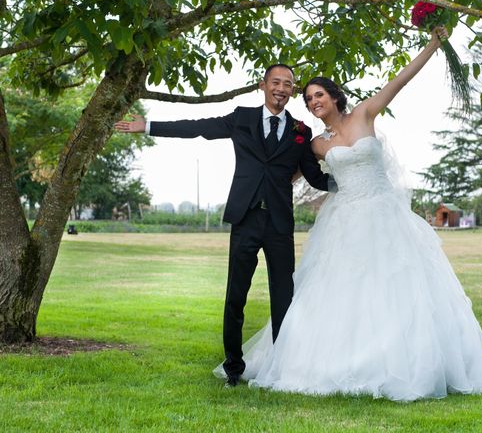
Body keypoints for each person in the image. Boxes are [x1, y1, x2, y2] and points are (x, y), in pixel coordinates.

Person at [231, 27, 482, 401]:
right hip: (344, 218)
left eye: (319, 95)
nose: (313, 102)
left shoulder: (364, 114)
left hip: (385, 214)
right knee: (339, 291)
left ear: (334, 96)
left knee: (398, 287)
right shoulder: (315, 143)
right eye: (309, 98)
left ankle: (401, 361)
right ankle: (334, 360)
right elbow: (287, 170)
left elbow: (401, 80)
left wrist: (434, 44)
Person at [114, 64, 332, 387]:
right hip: (245, 219)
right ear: (263, 85)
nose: (282, 88)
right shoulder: (242, 118)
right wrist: (148, 126)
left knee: (284, 296)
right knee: (236, 298)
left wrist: (351, 178)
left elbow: (314, 176)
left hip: (279, 226)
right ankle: (234, 367)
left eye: (288, 84)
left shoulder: (300, 131)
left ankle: (282, 367)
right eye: (276, 82)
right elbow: (199, 126)